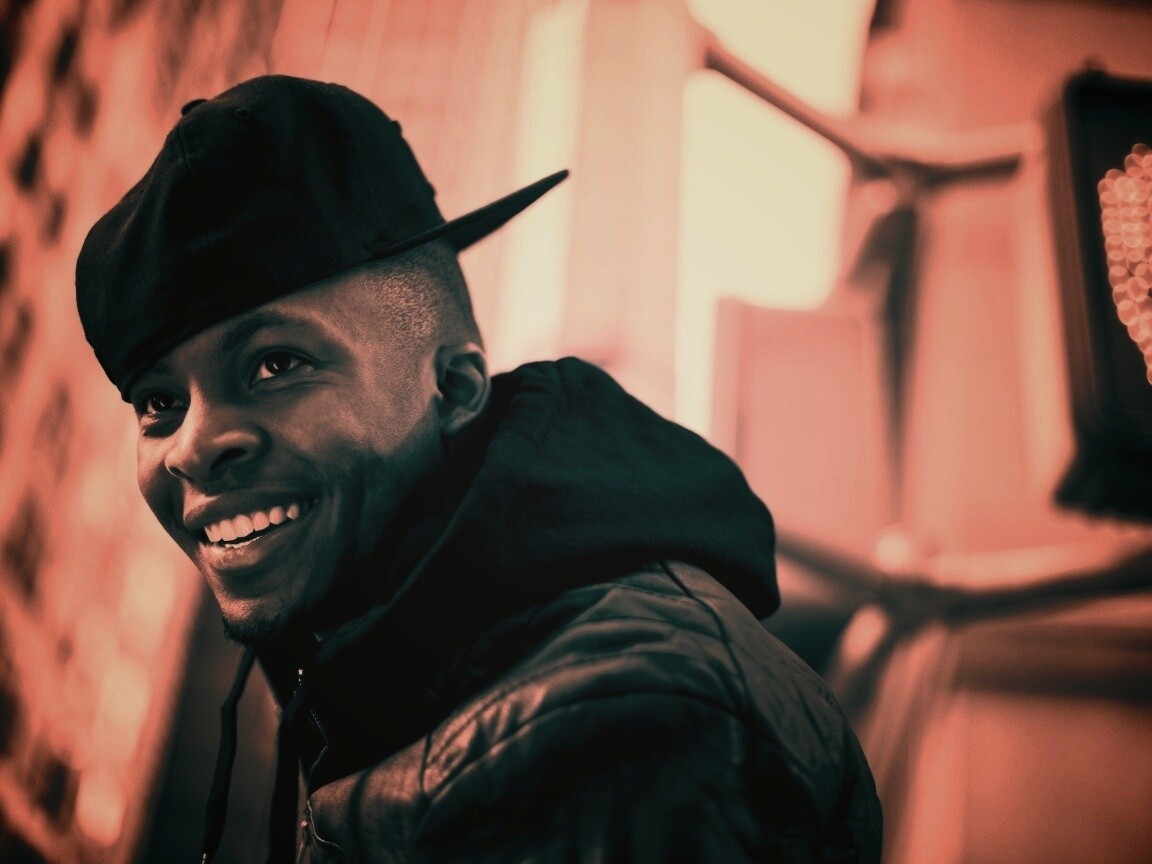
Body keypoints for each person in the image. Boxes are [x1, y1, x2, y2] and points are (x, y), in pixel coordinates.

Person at [75, 75, 881, 863]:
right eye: (158, 404)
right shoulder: (405, 680)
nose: (191, 446)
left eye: (275, 364)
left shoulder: (607, 735)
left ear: (455, 387)